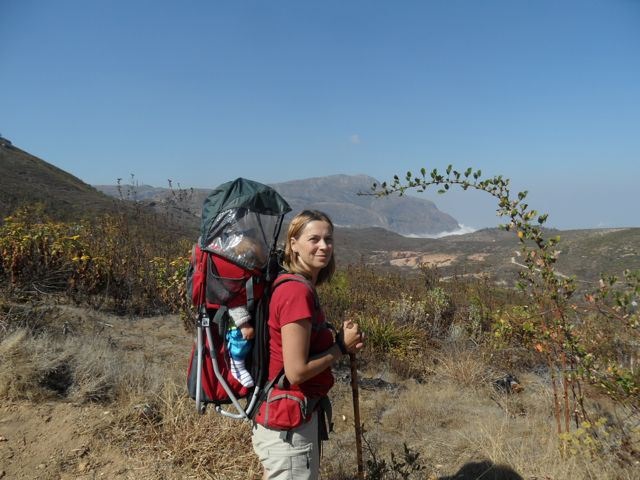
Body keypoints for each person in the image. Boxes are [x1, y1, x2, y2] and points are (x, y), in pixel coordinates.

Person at [251, 210, 365, 480]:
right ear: (293, 244)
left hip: (290, 419)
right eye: (314, 239)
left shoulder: (298, 286)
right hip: (288, 428)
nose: (324, 246)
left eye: (329, 239)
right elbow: (296, 371)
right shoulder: (296, 292)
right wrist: (341, 348)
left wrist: (336, 339)